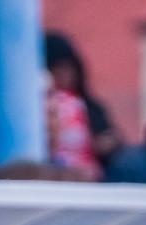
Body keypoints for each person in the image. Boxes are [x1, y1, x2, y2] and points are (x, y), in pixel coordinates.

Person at [44, 33, 120, 178]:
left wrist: (108, 143)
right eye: (58, 68)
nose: (65, 74)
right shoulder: (38, 105)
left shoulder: (90, 107)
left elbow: (111, 137)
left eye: (69, 68)